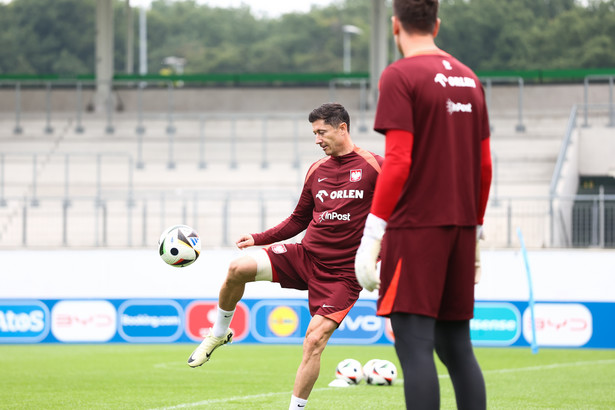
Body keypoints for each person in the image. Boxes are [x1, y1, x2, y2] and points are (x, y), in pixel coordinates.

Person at [188, 103, 384, 409]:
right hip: (305, 256)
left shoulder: (374, 166)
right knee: (237, 268)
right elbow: (298, 220)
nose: (317, 140)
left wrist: (377, 256)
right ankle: (218, 334)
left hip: (344, 275)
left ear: (342, 128)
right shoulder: (316, 170)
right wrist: (258, 238)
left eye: (322, 132)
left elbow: (399, 216)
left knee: (314, 341)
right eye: (314, 133)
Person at [354, 1, 492, 409]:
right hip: (462, 226)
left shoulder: (399, 75)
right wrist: (477, 233)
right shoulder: (469, 77)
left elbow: (398, 160)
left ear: (395, 26)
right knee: (456, 348)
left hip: (416, 229)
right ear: (437, 23)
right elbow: (484, 164)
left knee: (415, 348)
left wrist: (372, 234)